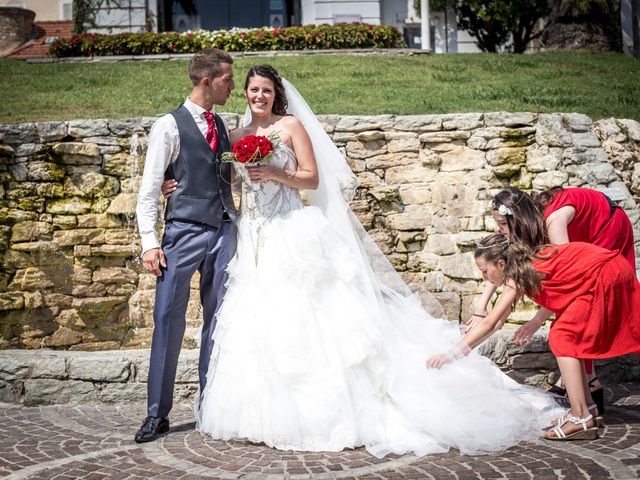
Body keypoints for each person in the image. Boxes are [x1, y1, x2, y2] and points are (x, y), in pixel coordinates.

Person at [186, 65, 564, 458]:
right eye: (252, 90)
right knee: (257, 324)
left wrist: (276, 175)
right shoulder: (237, 136)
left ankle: (320, 415)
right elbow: (229, 185)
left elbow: (312, 179)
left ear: (275, 94)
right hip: (253, 238)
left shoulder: (291, 126)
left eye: (265, 90)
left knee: (305, 320)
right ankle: (259, 415)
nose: (258, 96)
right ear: (245, 93)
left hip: (289, 232)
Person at [428, 234, 640, 440]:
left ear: (501, 264)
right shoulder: (522, 266)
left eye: (484, 271)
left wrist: (452, 354)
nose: (485, 278)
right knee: (568, 335)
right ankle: (588, 408)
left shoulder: (518, 275)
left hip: (606, 273)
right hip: (607, 270)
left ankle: (580, 416)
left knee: (563, 336)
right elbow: (497, 321)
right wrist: (469, 340)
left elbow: (490, 322)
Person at [134, 48, 238, 443]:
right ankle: (157, 414)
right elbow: (148, 191)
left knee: (219, 323)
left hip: (225, 231)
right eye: (228, 79)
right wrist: (148, 243)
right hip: (183, 232)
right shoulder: (169, 126)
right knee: (167, 320)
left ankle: (209, 406)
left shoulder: (222, 125)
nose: (233, 85)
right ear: (208, 81)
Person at [471, 187, 636, 413]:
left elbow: (569, 280)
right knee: (568, 324)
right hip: (588, 248)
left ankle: (584, 386)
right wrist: (482, 306)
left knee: (575, 320)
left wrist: (536, 321)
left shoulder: (553, 223)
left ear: (516, 219)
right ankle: (585, 388)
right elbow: (502, 268)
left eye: (502, 224)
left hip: (608, 229)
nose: (500, 231)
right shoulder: (528, 229)